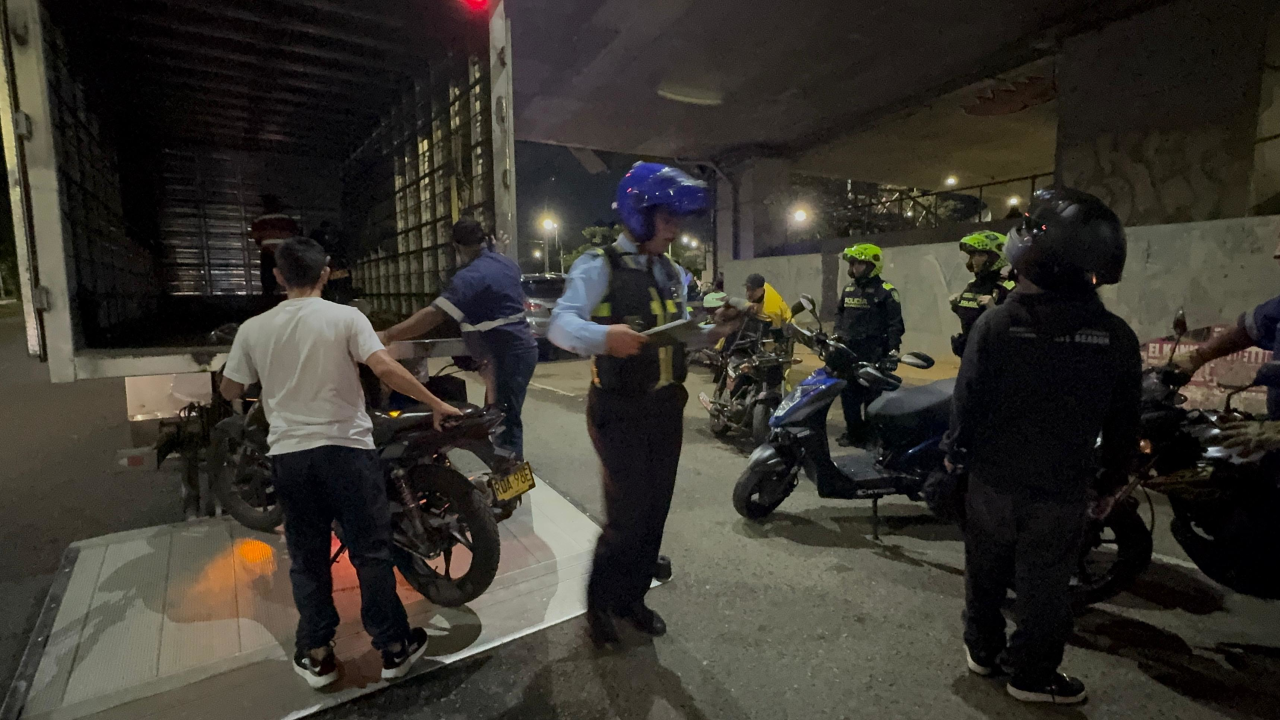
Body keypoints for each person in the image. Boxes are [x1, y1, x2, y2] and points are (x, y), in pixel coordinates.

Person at [218, 237, 463, 689]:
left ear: (277, 277)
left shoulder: (254, 328)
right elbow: (384, 369)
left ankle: (316, 654)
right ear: (326, 272)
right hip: (347, 453)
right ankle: (392, 647)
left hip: (291, 458)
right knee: (371, 552)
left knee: (308, 559)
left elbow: (231, 390)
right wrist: (433, 402)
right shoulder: (347, 318)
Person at [942, 187, 1140, 705]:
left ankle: (983, 651)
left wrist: (955, 456)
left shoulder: (997, 323)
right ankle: (1030, 675)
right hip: (1061, 487)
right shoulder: (1115, 337)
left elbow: (968, 402)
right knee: (1044, 584)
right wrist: (1113, 481)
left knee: (984, 568)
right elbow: (1123, 423)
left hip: (993, 481)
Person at [547, 162, 744, 647]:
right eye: (667, 216)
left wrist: (717, 329)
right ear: (639, 215)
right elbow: (559, 325)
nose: (675, 227)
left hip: (665, 408)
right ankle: (599, 608)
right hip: (618, 409)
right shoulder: (598, 265)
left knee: (655, 511)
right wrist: (602, 336)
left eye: (678, 217)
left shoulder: (671, 271)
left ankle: (633, 599)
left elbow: (683, 332)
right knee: (626, 515)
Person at [380, 218, 538, 461]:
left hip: (503, 355)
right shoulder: (506, 264)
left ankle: (510, 480)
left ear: (457, 247)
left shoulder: (469, 277)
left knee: (504, 422)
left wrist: (389, 335)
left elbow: (434, 315)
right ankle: (507, 476)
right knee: (499, 415)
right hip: (519, 351)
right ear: (484, 239)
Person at [833, 243, 904, 446]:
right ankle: (854, 433)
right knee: (848, 396)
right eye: (853, 263)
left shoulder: (887, 292)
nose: (854, 267)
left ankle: (872, 436)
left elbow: (895, 325)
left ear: (873, 265)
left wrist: (892, 351)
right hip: (849, 352)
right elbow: (839, 314)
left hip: (873, 353)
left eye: (859, 263)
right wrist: (837, 333)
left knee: (872, 399)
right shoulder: (848, 289)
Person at [950, 231, 1017, 357]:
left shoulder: (1008, 287)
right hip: (971, 358)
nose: (974, 259)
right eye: (972, 254)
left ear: (995, 257)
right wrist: (957, 306)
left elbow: (1016, 328)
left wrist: (995, 310)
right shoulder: (972, 285)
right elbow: (970, 320)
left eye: (980, 254)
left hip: (997, 360)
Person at [250, 194, 301, 297]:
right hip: (285, 252)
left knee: (268, 276)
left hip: (268, 252)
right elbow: (295, 234)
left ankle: (268, 297)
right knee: (289, 275)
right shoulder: (287, 219)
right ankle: (293, 294)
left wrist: (265, 243)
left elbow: (256, 236)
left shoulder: (260, 220)